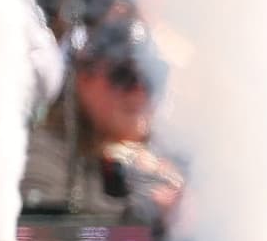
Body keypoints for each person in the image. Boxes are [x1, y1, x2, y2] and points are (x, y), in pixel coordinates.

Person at [21, 13, 182, 226]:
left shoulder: (170, 158)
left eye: (155, 76)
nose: (140, 91)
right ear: (85, 76)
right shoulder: (40, 155)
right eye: (125, 74)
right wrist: (148, 214)